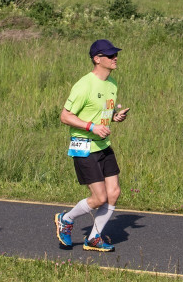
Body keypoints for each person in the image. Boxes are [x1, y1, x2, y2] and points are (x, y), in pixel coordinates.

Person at [54, 39, 130, 252]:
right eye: (110, 55)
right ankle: (66, 219)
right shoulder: (84, 85)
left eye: (116, 54)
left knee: (113, 193)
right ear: (97, 59)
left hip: (103, 145)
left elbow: (99, 112)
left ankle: (94, 238)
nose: (115, 58)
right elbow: (65, 116)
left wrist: (114, 117)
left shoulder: (112, 83)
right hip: (84, 146)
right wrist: (91, 127)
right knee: (99, 198)